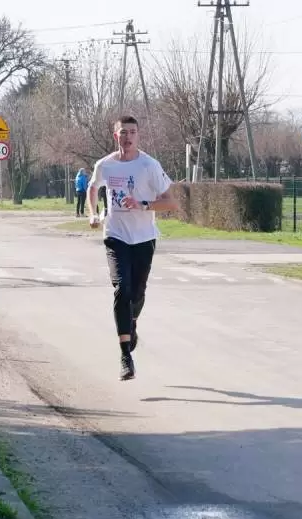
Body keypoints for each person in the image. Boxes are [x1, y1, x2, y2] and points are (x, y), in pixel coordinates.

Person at [87, 115, 178, 381]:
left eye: (133, 132)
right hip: (115, 236)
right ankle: (126, 356)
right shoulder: (105, 165)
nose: (128, 137)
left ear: (138, 135)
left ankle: (132, 322)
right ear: (115, 136)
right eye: (123, 132)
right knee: (122, 289)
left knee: (137, 293)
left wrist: (143, 205)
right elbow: (93, 187)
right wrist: (93, 213)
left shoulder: (149, 165)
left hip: (144, 238)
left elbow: (171, 202)